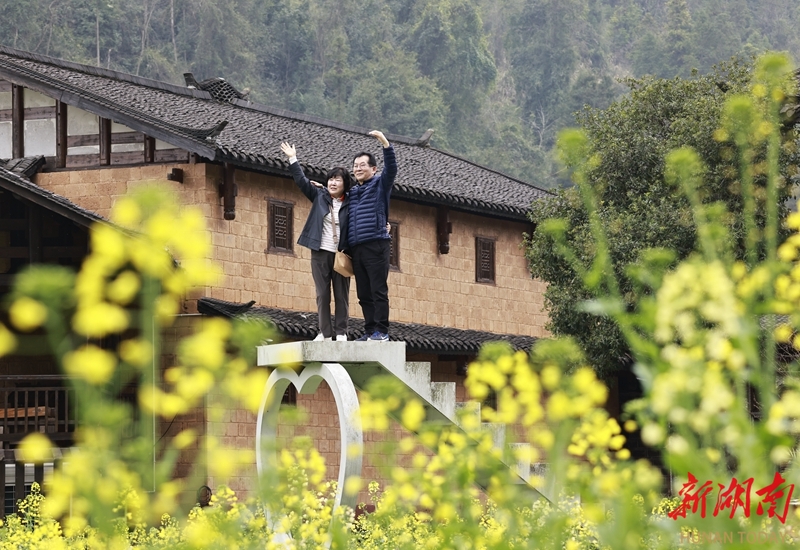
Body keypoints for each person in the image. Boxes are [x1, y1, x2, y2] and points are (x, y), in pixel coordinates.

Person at [280, 142, 352, 342]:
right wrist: (293, 158)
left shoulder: (352, 202)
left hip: (342, 254)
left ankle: (341, 332)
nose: (333, 183)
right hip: (320, 252)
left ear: (345, 184)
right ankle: (325, 333)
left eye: (337, 180)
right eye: (331, 179)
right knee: (322, 294)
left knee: (341, 295)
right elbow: (301, 181)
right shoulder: (319, 196)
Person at [348, 130, 397, 341]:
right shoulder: (352, 192)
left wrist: (385, 144)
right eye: (355, 166)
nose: (358, 169)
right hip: (357, 248)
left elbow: (391, 170)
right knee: (364, 294)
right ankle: (369, 331)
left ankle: (382, 331)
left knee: (378, 290)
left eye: (362, 165)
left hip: (376, 244)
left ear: (373, 169)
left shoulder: (380, 184)